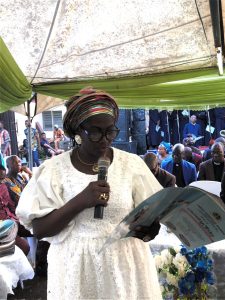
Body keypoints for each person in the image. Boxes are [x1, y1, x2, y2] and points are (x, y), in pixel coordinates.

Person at [16, 88, 163, 300]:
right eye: (94, 132)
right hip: (76, 270)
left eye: (110, 131)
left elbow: (150, 214)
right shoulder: (53, 170)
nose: (105, 140)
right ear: (77, 131)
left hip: (126, 265)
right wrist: (81, 201)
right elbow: (39, 230)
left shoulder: (132, 165)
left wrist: (149, 228)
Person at [0, 164, 30, 255]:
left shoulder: (4, 186)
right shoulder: (8, 182)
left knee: (40, 229)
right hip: (3, 226)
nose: (2, 181)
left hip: (12, 220)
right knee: (24, 247)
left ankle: (41, 265)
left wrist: (17, 218)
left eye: (2, 179)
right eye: (1, 179)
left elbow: (11, 206)